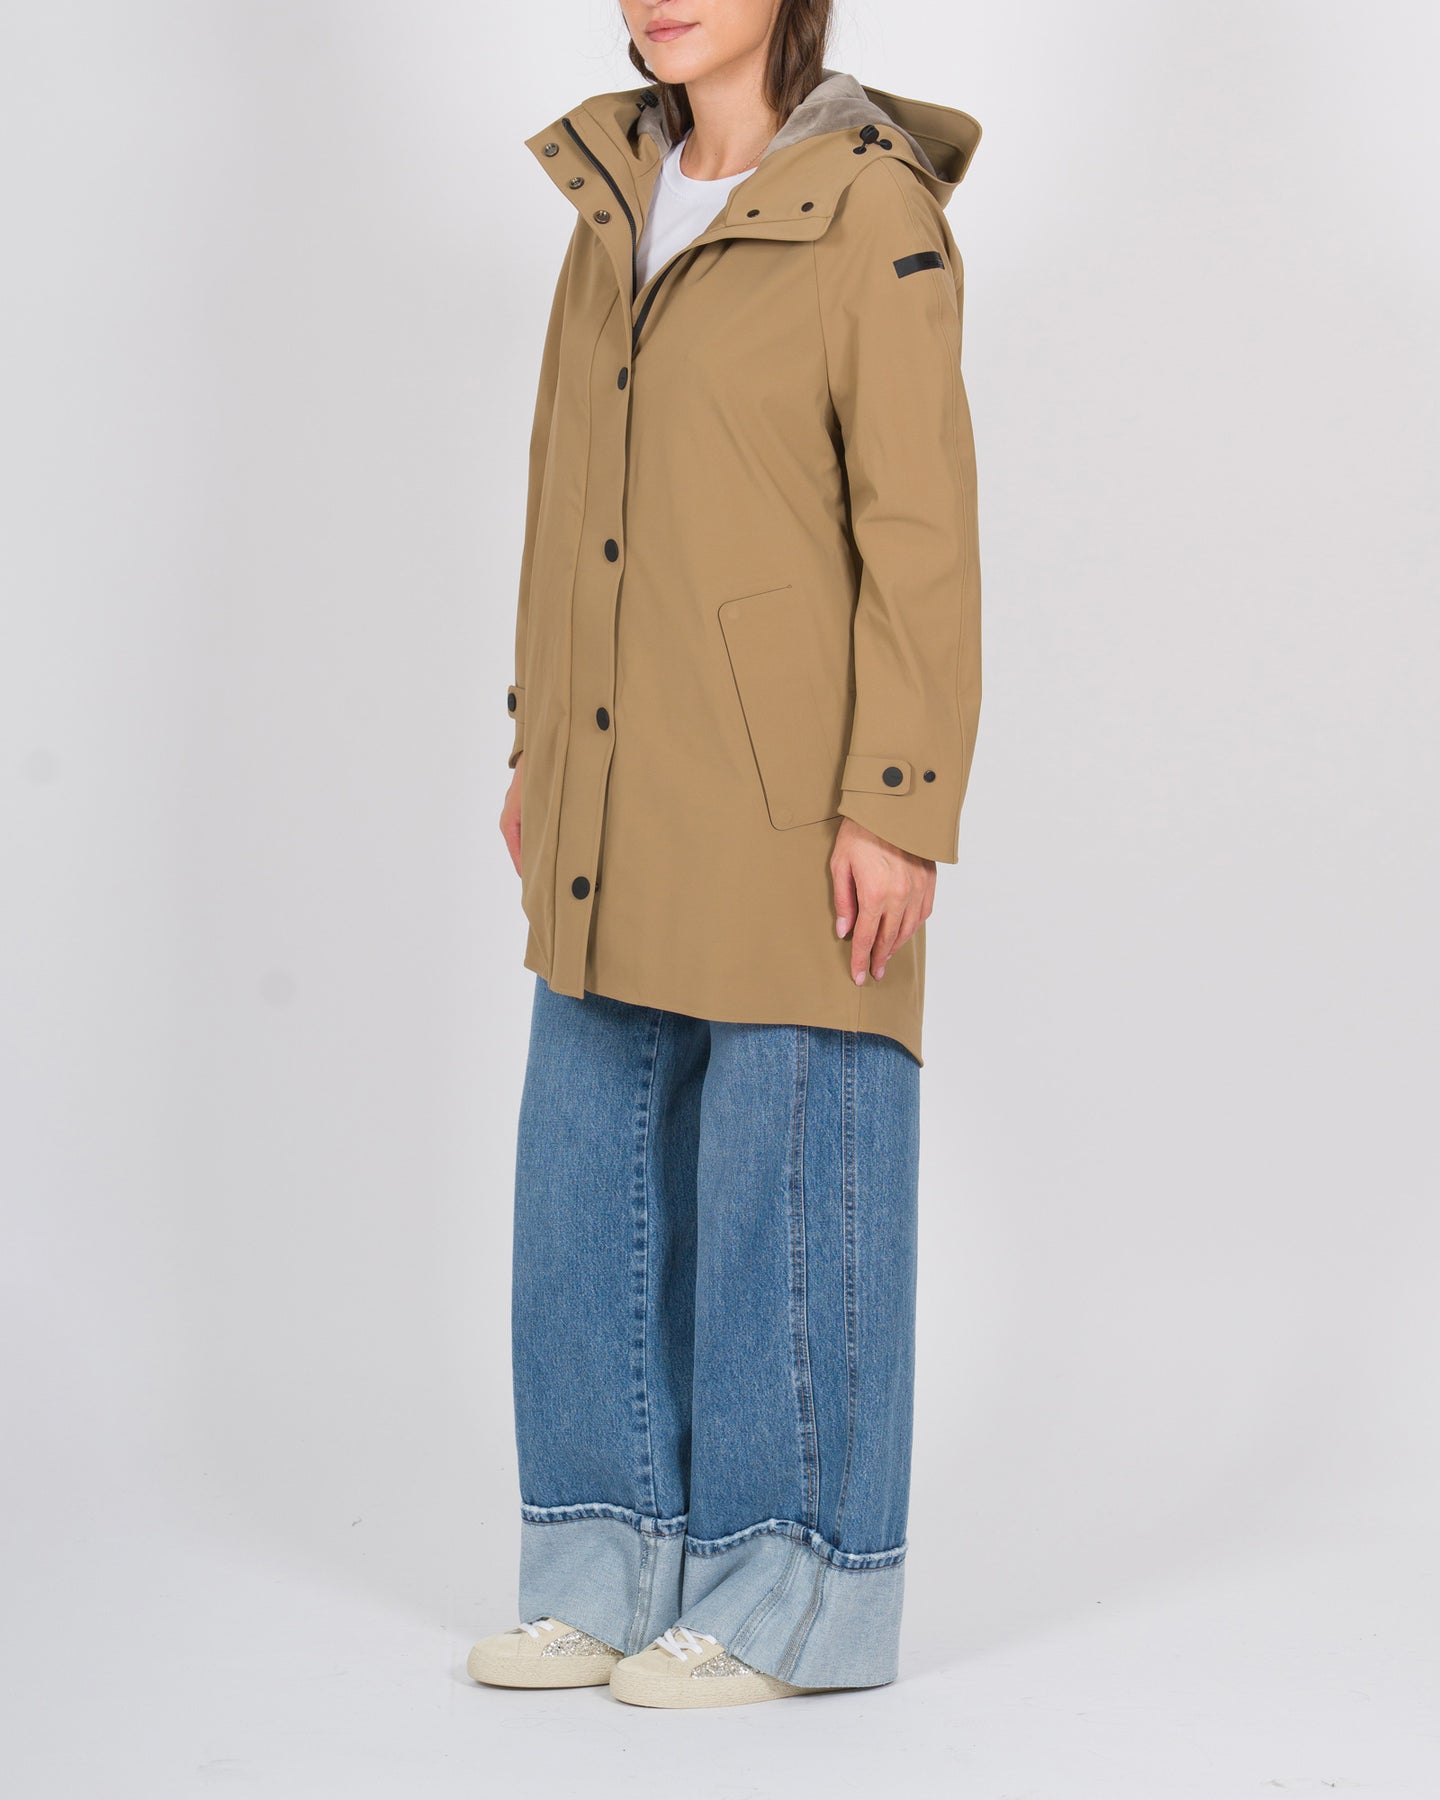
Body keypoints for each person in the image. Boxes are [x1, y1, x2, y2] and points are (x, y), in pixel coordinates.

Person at [468, 0, 982, 1708]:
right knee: (585, 1181)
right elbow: (566, 493)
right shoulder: (611, 199)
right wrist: (537, 738)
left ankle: (794, 1599)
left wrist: (899, 797)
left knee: (789, 1187)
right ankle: (601, 1569)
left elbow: (922, 527)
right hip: (614, 773)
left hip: (794, 798)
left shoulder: (870, 206)